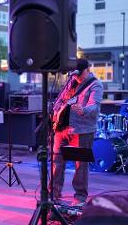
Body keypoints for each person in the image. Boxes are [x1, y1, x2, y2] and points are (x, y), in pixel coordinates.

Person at [50, 58, 103, 206]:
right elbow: (60, 100)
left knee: (80, 165)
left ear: (87, 70)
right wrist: (55, 112)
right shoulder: (70, 83)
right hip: (62, 129)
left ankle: (80, 197)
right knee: (57, 162)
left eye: (79, 74)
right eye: (74, 75)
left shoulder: (95, 85)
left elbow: (95, 106)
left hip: (81, 130)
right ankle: (54, 193)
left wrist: (83, 109)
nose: (76, 77)